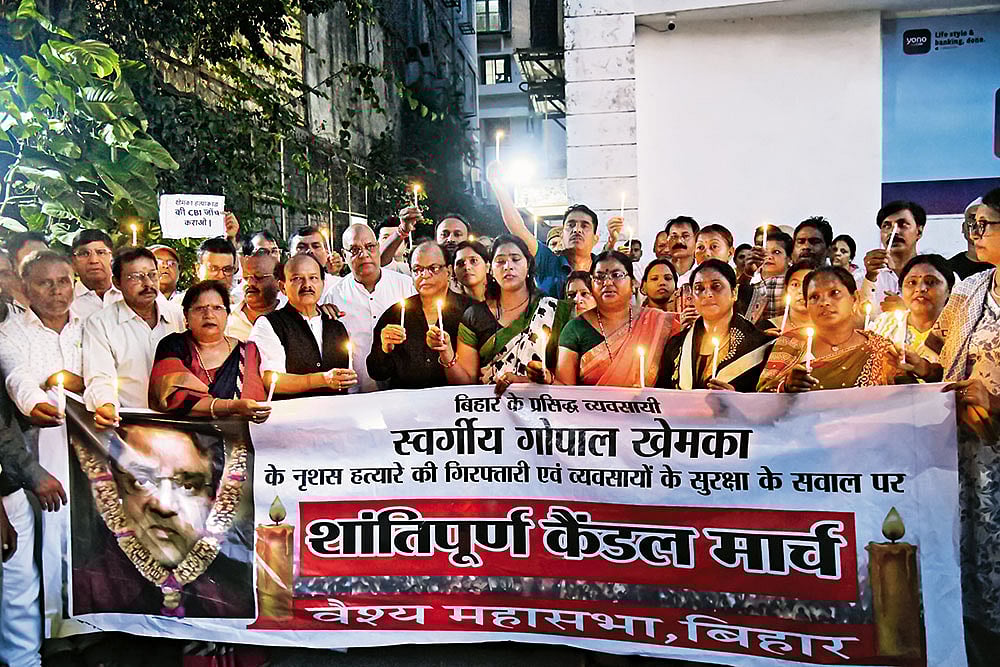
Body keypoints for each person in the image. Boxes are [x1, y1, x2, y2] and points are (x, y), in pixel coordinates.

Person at [71, 422, 253, 617]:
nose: (164, 505)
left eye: (188, 486)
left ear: (214, 498)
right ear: (114, 487)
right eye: (141, 481)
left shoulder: (237, 601)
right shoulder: (79, 593)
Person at [929, 188, 1000, 662]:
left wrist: (995, 400)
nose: (975, 234)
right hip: (959, 447)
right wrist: (907, 361)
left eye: (986, 225)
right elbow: (936, 357)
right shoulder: (969, 289)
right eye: (972, 225)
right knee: (963, 545)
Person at [436, 235, 572, 390]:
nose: (508, 266)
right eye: (500, 261)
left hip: (544, 407)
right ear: (491, 270)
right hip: (491, 409)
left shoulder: (555, 311)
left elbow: (569, 387)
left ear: (528, 265)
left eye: (515, 259)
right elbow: (465, 383)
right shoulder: (474, 316)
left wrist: (531, 380)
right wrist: (447, 353)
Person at [488, 163, 623, 299]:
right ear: (562, 234)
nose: (576, 230)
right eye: (570, 225)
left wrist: (612, 242)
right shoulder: (548, 261)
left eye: (584, 226)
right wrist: (498, 187)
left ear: (595, 238)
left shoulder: (601, 269)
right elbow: (518, 228)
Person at [83, 248, 185, 426]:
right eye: (135, 277)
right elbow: (100, 377)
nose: (147, 283)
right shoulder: (101, 323)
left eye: (152, 274)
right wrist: (106, 405)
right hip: (130, 425)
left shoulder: (177, 315)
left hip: (180, 421)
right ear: (117, 282)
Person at [757, 266, 897, 392]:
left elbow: (903, 398)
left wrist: (919, 367)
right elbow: (763, 397)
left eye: (834, 293)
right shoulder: (791, 341)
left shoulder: (879, 348)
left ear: (854, 298)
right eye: (814, 297)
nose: (824, 302)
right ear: (806, 305)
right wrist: (786, 387)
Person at [555, 251, 681, 387]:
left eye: (617, 275)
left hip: (650, 406)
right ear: (592, 285)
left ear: (633, 284)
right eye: (600, 277)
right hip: (591, 408)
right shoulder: (575, 329)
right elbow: (564, 393)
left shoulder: (659, 323)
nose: (607, 282)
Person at [149, 281, 270, 421]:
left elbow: (258, 402)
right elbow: (170, 396)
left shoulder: (248, 353)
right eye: (200, 308)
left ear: (227, 314)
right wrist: (231, 406)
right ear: (186, 316)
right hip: (184, 438)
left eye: (217, 308)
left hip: (239, 438)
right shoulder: (173, 346)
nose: (209, 315)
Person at [656, 259, 773, 392]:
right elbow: (662, 394)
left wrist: (738, 401)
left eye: (716, 286)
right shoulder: (677, 344)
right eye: (699, 288)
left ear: (734, 292)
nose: (707, 294)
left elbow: (768, 402)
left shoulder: (759, 345)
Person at [367, 242, 471, 390]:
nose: (424, 275)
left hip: (455, 404)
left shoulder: (469, 312)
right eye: (417, 270)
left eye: (433, 268)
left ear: (448, 271)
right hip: (408, 406)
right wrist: (384, 349)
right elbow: (377, 373)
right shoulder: (395, 314)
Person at [249, 254, 355, 398]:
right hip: (292, 416)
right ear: (282, 287)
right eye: (297, 279)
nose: (307, 285)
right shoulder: (269, 324)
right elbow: (271, 380)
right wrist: (322, 379)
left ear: (323, 284)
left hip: (336, 414)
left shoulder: (336, 327)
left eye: (313, 278)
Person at [327, 224, 415, 393]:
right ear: (344, 255)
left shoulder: (405, 286)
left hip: (403, 390)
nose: (364, 255)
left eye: (370, 247)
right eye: (354, 250)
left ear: (378, 247)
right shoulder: (334, 297)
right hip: (357, 393)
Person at [869, 254, 953, 372]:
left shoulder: (958, 330)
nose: (920, 288)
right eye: (912, 282)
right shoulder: (884, 324)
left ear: (949, 290)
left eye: (931, 282)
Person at [859, 201, 926, 317]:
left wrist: (910, 311)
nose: (893, 232)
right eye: (886, 226)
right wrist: (870, 278)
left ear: (919, 232)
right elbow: (858, 319)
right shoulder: (864, 277)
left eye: (903, 224)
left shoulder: (937, 274)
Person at [225, 252, 280, 342]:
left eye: (258, 277)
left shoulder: (294, 318)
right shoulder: (226, 318)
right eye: (246, 277)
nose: (250, 283)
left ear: (278, 281)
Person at [70, 229, 121, 320]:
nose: (94, 260)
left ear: (112, 259)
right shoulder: (66, 302)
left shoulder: (127, 293)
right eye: (84, 254)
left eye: (101, 252)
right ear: (73, 262)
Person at [744, 231, 792, 323]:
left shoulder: (792, 283)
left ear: (789, 258)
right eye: (765, 252)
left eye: (776, 252)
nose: (769, 257)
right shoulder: (752, 281)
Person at [758, 260, 816, 335]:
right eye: (795, 284)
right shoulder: (766, 328)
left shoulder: (832, 328)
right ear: (786, 289)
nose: (801, 291)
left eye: (808, 285)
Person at [288, 225, 341, 302]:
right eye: (301, 247)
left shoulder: (340, 287)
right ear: (289, 256)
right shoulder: (280, 292)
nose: (310, 251)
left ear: (326, 253)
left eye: (316, 246)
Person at [949, 197, 993, 280]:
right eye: (972, 219)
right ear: (963, 227)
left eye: (984, 220)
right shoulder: (948, 269)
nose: (977, 226)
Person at [195, 236, 240, 305]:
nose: (221, 275)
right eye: (213, 269)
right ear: (198, 270)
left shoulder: (242, 306)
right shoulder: (178, 308)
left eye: (227, 269)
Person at [664, 216, 699, 285]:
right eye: (674, 236)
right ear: (667, 241)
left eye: (685, 236)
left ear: (696, 239)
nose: (679, 241)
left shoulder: (703, 272)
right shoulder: (659, 270)